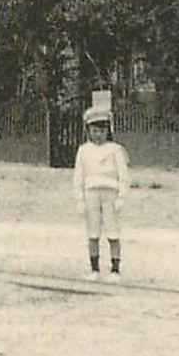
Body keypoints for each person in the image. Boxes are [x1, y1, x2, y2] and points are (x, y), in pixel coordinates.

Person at [73, 105, 130, 282]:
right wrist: (80, 200)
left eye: (102, 130)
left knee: (113, 231)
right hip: (91, 193)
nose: (99, 134)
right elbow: (78, 177)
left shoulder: (115, 150)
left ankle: (115, 269)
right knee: (93, 232)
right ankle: (94, 268)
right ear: (88, 130)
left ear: (108, 131)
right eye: (95, 130)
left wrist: (121, 197)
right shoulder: (84, 151)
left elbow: (124, 176)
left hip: (110, 194)